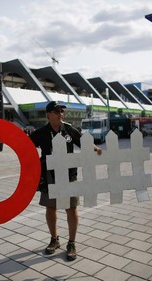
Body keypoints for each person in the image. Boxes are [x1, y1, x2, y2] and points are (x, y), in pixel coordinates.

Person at [30, 101, 102, 261]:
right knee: (50, 208)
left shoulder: (69, 129)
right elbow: (25, 146)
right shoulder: (41, 132)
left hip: (69, 176)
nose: (61, 114)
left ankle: (71, 243)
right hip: (49, 176)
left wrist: (95, 148)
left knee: (71, 209)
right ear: (48, 115)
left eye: (62, 111)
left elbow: (84, 142)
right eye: (57, 111)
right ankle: (54, 239)